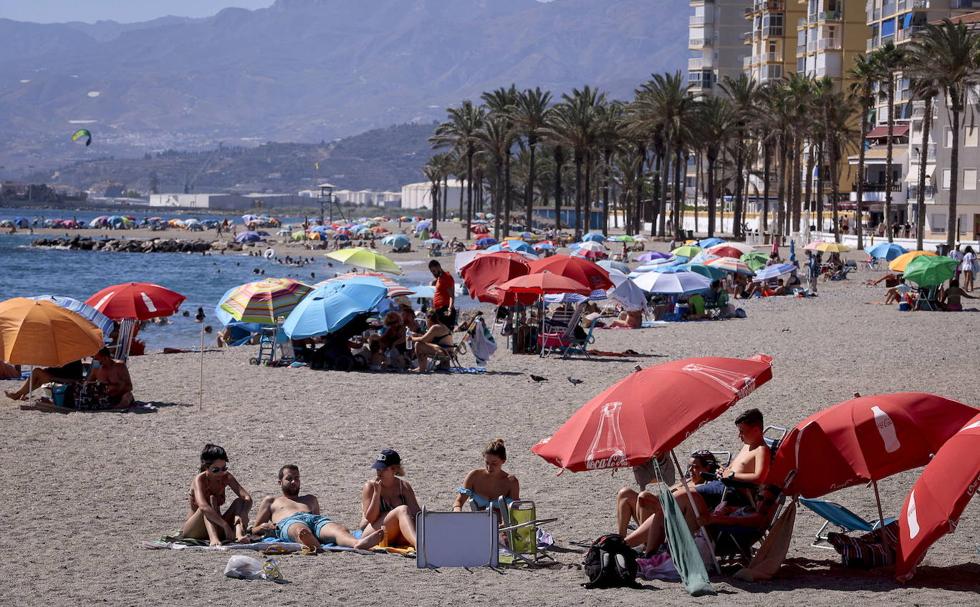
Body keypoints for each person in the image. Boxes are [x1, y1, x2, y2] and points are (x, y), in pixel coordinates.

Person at [252, 465, 383, 552]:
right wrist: (262, 528)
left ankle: (356, 543)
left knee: (339, 529)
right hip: (289, 522)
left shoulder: (310, 499)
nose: (294, 482)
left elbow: (319, 524)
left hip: (315, 520)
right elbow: (253, 529)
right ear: (280, 482)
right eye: (289, 479)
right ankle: (313, 543)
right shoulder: (271, 501)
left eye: (296, 478)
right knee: (301, 530)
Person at [616, 451, 718, 537]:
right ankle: (620, 541)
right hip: (660, 512)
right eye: (689, 466)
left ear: (707, 468)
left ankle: (648, 544)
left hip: (673, 521)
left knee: (644, 497)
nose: (690, 470)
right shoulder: (687, 481)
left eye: (695, 467)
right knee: (625, 493)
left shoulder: (706, 487)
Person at [180, 444, 253, 546]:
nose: (220, 473)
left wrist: (244, 513)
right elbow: (203, 507)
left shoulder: (226, 476)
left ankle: (238, 534)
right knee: (210, 500)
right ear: (206, 467)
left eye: (224, 468)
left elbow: (247, 497)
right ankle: (213, 538)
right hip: (195, 530)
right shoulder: (199, 480)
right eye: (215, 470)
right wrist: (225, 525)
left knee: (240, 502)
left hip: (219, 525)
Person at [359, 449, 420, 548]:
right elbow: (371, 519)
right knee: (402, 509)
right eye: (378, 468)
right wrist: (376, 494)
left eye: (384, 469)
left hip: (397, 535)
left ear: (394, 469)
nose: (379, 472)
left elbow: (417, 514)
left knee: (414, 520)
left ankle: (418, 543)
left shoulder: (404, 487)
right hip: (374, 534)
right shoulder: (370, 486)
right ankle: (419, 545)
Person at [453, 439, 519, 512]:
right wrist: (457, 512)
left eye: (494, 463)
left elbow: (514, 511)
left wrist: (504, 522)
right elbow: (459, 502)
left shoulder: (511, 482)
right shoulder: (474, 476)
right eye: (487, 463)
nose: (489, 467)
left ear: (503, 461)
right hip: (477, 522)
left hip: (502, 523)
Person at [4, 359, 83, 401]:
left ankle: (18, 394)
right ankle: (20, 394)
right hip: (60, 380)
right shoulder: (66, 357)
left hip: (67, 385)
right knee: (39, 375)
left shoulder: (74, 361)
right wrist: (46, 372)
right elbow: (56, 370)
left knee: (37, 372)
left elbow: (75, 379)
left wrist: (53, 378)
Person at [429, 260, 456, 329]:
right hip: (439, 309)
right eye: (432, 272)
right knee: (431, 326)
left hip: (445, 309)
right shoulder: (440, 278)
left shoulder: (446, 277)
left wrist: (450, 309)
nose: (433, 273)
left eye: (434, 271)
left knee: (443, 333)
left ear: (438, 267)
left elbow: (451, 296)